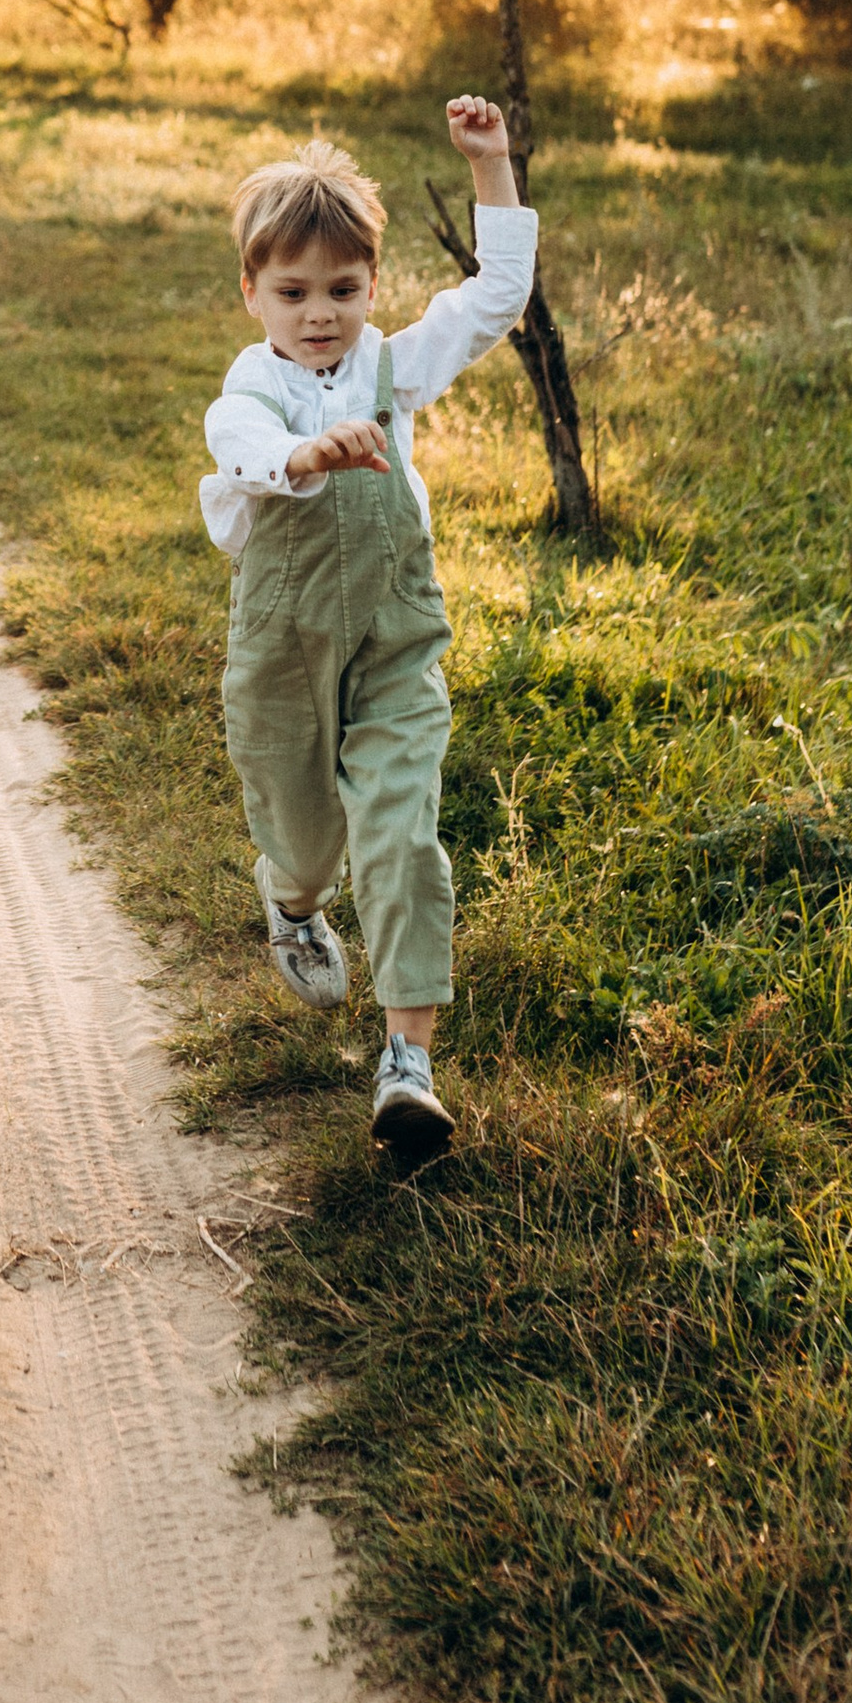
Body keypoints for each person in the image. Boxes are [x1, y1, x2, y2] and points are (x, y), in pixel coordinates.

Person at [198, 106, 535, 1169]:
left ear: (371, 288)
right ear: (251, 293)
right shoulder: (253, 387)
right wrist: (305, 454)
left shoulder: (395, 368)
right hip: (284, 648)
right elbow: (241, 442)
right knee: (303, 837)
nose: (318, 316)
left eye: (342, 291)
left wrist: (492, 168)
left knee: (399, 831)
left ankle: (408, 1064)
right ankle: (293, 902)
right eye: (291, 294)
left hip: (394, 636)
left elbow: (495, 301)